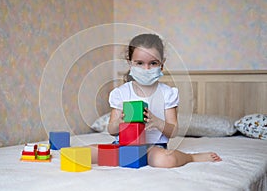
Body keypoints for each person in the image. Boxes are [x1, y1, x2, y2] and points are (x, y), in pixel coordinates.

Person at [91, 33, 222, 168]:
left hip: (153, 147)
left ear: (162, 65)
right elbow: (111, 130)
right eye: (140, 63)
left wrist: (157, 122)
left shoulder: (167, 93)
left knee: (165, 160)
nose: (146, 69)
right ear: (130, 64)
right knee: (88, 152)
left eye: (153, 63)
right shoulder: (121, 93)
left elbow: (173, 131)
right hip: (124, 146)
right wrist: (120, 122)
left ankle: (191, 157)